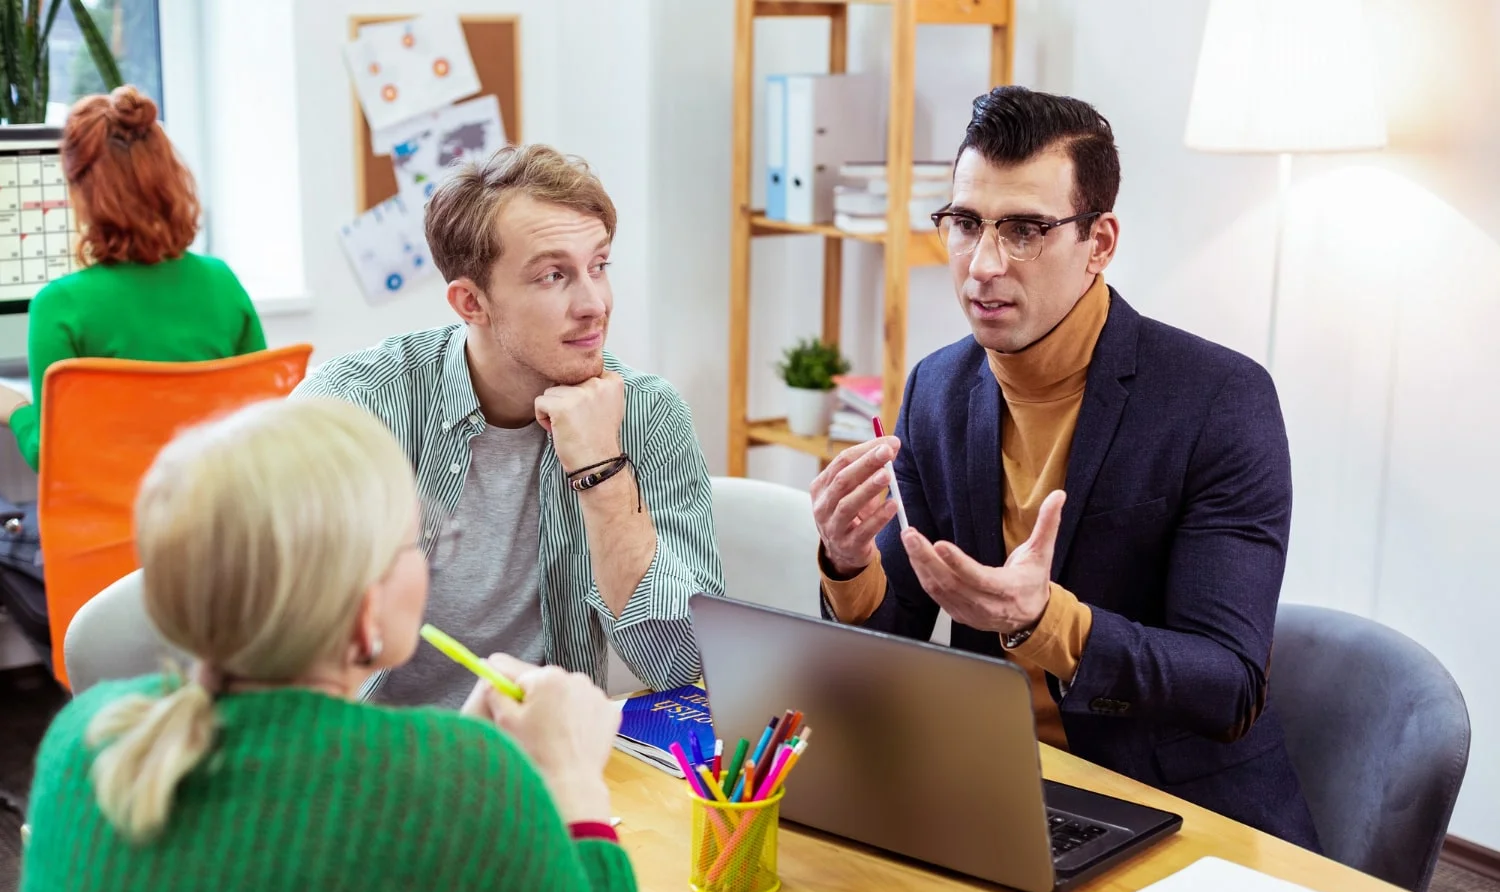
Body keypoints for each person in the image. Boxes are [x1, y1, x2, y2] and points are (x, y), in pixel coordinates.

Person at [7, 397, 662, 892]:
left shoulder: (82, 737)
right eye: (414, 545)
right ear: (361, 611)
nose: (430, 561)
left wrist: (461, 761)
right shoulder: (472, 788)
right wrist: (576, 792)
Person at [811, 86, 1319, 850]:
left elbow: (1228, 686)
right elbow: (895, 641)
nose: (982, 265)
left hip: (1181, 815)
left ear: (1100, 242)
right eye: (966, 224)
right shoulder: (937, 391)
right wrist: (847, 565)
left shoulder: (1220, 400)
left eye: (1023, 230)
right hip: (1002, 792)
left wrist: (1045, 622)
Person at [296, 144, 723, 709]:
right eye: (553, 275)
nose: (594, 304)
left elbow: (680, 662)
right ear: (471, 302)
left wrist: (603, 474)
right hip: (378, 761)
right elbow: (275, 645)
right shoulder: (351, 409)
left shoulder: (648, 412)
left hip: (543, 761)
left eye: (598, 266)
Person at [0, 85, 265, 471]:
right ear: (168, 179)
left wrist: (16, 410)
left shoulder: (59, 305)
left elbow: (53, 453)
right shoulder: (222, 282)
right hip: (214, 520)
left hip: (113, 528)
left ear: (82, 193)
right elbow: (265, 421)